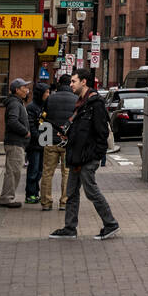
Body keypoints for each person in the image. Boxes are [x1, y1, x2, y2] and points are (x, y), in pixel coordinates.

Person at [50, 68, 119, 239]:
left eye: (74, 81)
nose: (71, 84)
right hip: (76, 155)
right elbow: (81, 130)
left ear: (84, 82)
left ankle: (110, 224)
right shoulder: (81, 103)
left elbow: (102, 133)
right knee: (71, 193)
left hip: (87, 157)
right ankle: (70, 228)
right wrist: (68, 134)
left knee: (91, 191)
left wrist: (96, 155)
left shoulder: (95, 104)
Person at [40, 74, 77, 211]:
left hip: (50, 139)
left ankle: (46, 202)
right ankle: (64, 202)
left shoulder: (50, 98)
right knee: (67, 172)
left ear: (59, 83)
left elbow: (44, 118)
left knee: (47, 172)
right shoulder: (75, 99)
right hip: (68, 141)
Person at [0, 78, 31, 209]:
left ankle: (7, 197)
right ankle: (7, 198)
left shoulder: (17, 102)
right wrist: (25, 132)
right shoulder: (14, 103)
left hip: (16, 142)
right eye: (24, 87)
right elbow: (13, 121)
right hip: (15, 142)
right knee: (13, 171)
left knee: (13, 171)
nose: (26, 89)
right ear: (17, 90)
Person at [25, 82, 48, 204]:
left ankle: (35, 192)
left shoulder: (45, 106)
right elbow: (31, 125)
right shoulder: (31, 107)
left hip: (43, 143)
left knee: (40, 170)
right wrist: (39, 137)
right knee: (33, 170)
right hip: (34, 144)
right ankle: (30, 194)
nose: (48, 95)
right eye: (46, 92)